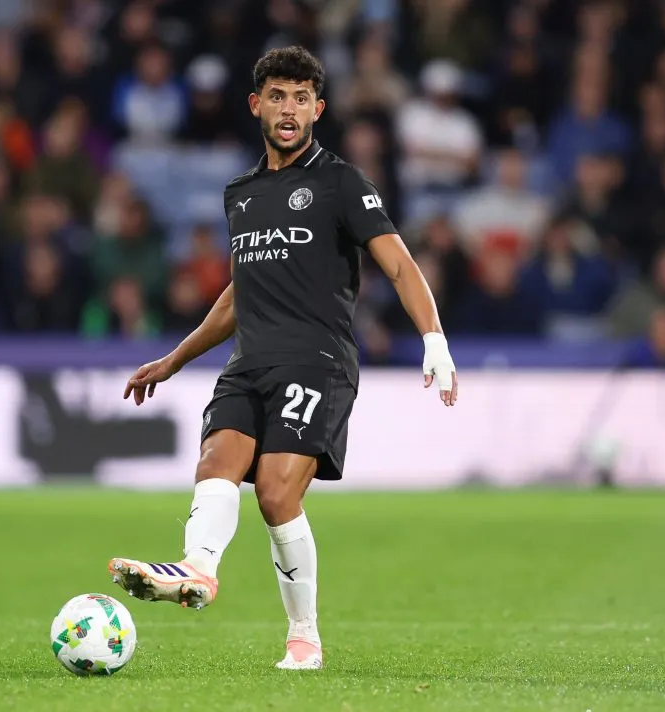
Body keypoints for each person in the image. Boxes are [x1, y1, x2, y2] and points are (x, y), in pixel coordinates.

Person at [107, 46, 458, 671]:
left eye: (301, 97)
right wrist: (174, 359)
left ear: (318, 109)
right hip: (249, 363)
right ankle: (197, 570)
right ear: (256, 106)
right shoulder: (240, 194)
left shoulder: (342, 183)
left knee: (274, 493)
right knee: (216, 460)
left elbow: (400, 265)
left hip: (318, 362)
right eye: (277, 96)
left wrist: (434, 340)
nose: (288, 108)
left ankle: (305, 635)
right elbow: (240, 293)